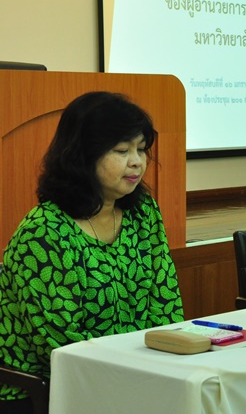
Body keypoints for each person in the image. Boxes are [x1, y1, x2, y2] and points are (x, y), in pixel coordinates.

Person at [0, 92, 184, 413]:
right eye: (122, 150)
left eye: (141, 149)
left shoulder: (143, 212)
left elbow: (165, 303)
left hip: (134, 373)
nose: (137, 161)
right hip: (47, 390)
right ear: (83, 155)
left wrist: (160, 365)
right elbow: (60, 343)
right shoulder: (44, 232)